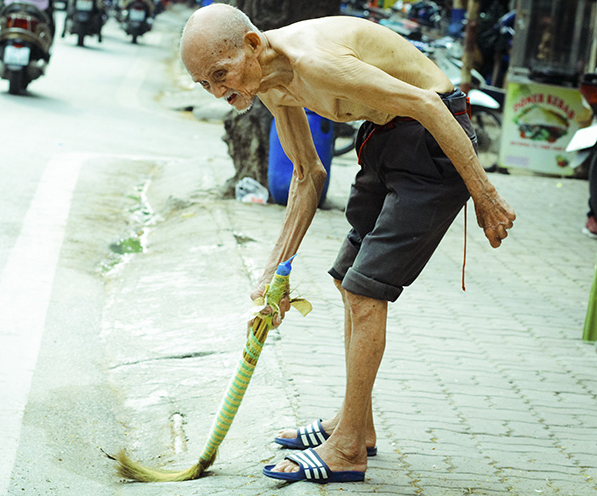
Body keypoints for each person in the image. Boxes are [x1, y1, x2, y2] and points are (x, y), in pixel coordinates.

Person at [180, 4, 516, 483]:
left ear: (253, 44)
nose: (218, 91)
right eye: (204, 85)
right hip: (383, 138)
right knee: (346, 280)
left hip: (432, 137)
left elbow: (427, 103)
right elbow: (307, 176)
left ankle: (348, 450)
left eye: (220, 73)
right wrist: (273, 275)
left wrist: (487, 197)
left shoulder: (314, 59)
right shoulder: (271, 82)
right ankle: (357, 424)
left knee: (366, 291)